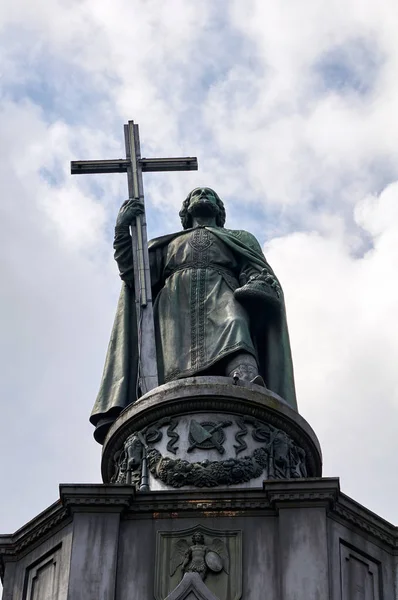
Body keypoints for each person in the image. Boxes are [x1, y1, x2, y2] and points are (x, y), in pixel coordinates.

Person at [90, 188, 296, 443]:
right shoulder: (168, 244)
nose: (203, 196)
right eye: (197, 194)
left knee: (235, 325)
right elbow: (135, 273)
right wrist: (122, 230)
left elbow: (256, 270)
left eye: (210, 195)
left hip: (224, 295)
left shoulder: (240, 238)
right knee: (170, 370)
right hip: (173, 312)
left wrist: (258, 285)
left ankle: (250, 388)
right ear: (185, 211)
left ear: (220, 210)